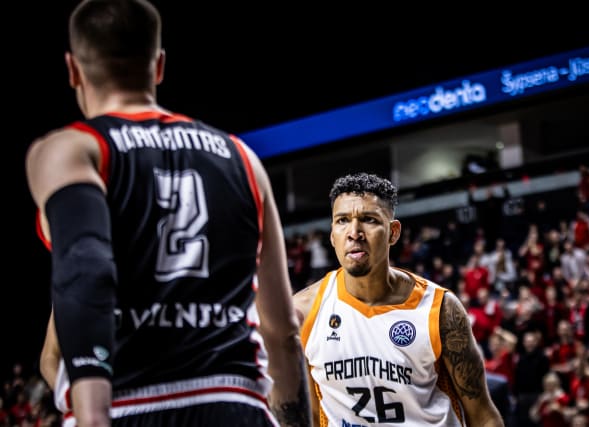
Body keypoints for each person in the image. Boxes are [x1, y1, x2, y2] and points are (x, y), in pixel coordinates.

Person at [24, 1, 310, 426]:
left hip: (126, 404)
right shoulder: (243, 159)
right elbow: (283, 330)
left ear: (73, 70)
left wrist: (92, 415)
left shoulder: (73, 149)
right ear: (158, 66)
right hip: (233, 403)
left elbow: (85, 269)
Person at [293, 172, 504, 426]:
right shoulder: (304, 311)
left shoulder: (439, 309)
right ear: (332, 235)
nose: (354, 232)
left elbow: (483, 416)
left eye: (369, 220)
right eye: (342, 221)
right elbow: (308, 416)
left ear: (393, 233)